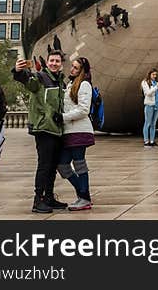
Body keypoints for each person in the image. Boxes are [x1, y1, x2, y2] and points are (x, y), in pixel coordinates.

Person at [12, 51, 66, 213]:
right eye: (51, 61)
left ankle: (48, 197)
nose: (54, 63)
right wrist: (18, 71)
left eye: (57, 61)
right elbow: (28, 81)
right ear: (47, 62)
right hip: (43, 128)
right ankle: (38, 200)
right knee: (44, 164)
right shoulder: (41, 77)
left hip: (57, 129)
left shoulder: (61, 81)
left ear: (61, 63)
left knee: (52, 165)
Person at [58, 57, 94, 210]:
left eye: (75, 68)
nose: (71, 69)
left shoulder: (84, 85)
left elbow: (84, 109)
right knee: (62, 165)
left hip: (79, 130)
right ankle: (83, 193)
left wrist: (63, 117)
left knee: (79, 164)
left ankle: (84, 197)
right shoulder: (71, 84)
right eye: (72, 66)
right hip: (69, 131)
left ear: (82, 71)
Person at [141, 68, 158, 146]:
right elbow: (148, 93)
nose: (155, 76)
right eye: (153, 74)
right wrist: (156, 86)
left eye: (156, 75)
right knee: (147, 123)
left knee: (153, 124)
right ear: (149, 74)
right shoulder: (145, 82)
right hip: (149, 105)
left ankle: (152, 141)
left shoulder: (155, 83)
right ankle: (146, 141)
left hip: (157, 105)